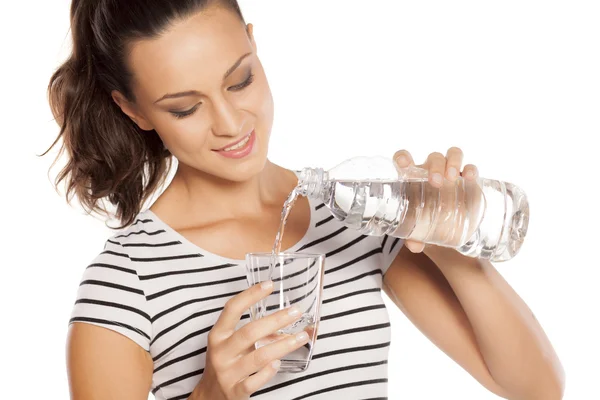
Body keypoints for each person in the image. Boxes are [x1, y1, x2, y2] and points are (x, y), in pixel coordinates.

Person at [46, 0, 565, 399]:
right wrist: (209, 395)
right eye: (185, 108)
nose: (231, 125)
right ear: (133, 109)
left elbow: (536, 388)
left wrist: (446, 235)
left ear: (255, 45)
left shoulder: (356, 219)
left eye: (240, 80)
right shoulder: (126, 281)